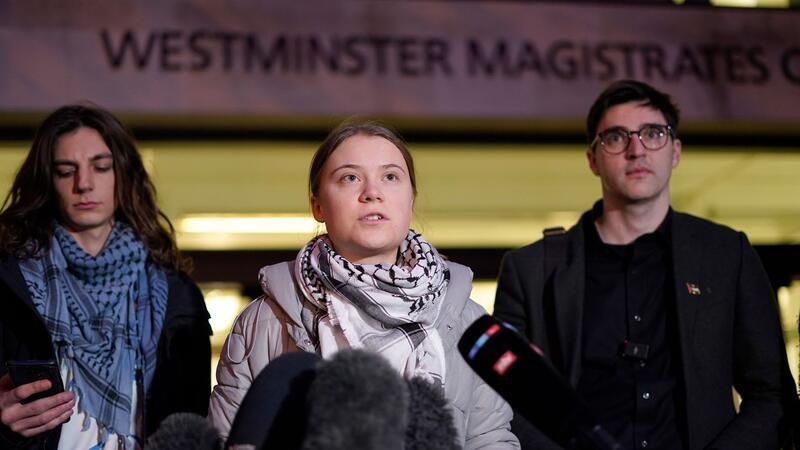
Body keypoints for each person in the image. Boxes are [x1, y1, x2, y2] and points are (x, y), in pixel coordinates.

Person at [494, 80, 798, 450]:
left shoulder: (726, 255)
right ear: (592, 158)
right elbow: (503, 404)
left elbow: (771, 394)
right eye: (616, 137)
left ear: (675, 151)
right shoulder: (531, 270)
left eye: (653, 133)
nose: (636, 149)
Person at [208, 120, 519, 449]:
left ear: (411, 198)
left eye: (390, 177)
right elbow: (227, 439)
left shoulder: (467, 321)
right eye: (350, 177)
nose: (372, 193)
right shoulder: (264, 322)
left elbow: (490, 439)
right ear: (318, 206)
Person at [0, 104, 211, 449]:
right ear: (47, 182)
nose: (84, 184)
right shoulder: (10, 286)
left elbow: (193, 425)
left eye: (100, 167)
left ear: (122, 174)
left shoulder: (176, 295)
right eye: (66, 171)